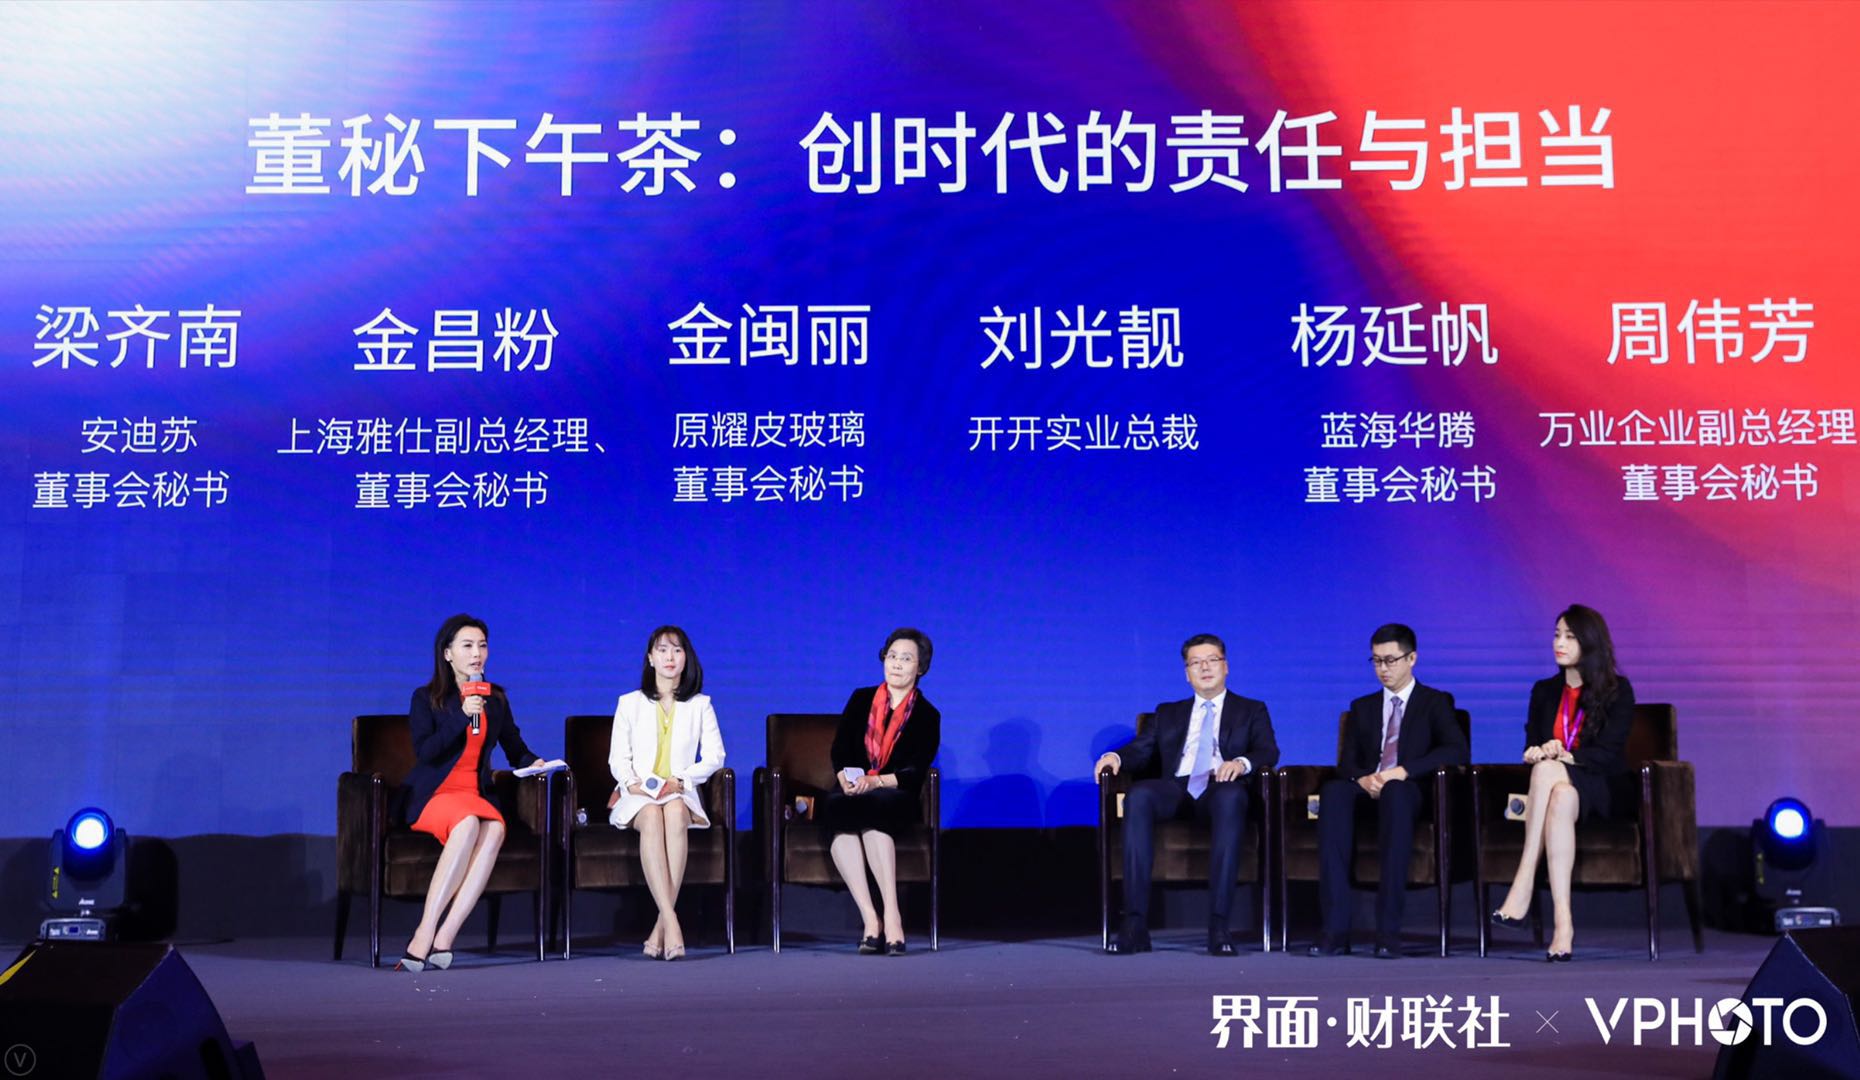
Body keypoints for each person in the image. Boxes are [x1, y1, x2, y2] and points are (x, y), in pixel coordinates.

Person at [1095, 633, 1280, 956]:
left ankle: (1219, 925)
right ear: (1186, 673)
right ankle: (1135, 924)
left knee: (1231, 797)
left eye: (1212, 660)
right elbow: (1141, 749)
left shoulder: (1251, 709)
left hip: (1221, 785)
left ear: (1226, 666)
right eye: (1196, 663)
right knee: (1139, 795)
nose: (1204, 668)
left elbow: (1268, 750)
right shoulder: (1168, 712)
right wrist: (1115, 757)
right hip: (1177, 787)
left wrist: (1240, 762)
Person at [397, 614, 547, 972]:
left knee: (494, 828)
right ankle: (424, 932)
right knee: (467, 824)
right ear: (447, 653)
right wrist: (462, 716)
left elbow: (515, 748)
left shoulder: (495, 699)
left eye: (482, 645)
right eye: (467, 646)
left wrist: (535, 762)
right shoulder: (426, 698)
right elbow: (426, 753)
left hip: (474, 793)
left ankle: (446, 936)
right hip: (434, 794)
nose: (477, 653)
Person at [1489, 604, 1637, 961]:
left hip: (1601, 786)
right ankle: (1563, 925)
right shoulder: (1543, 690)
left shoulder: (1618, 690)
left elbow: (1608, 753)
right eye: (1556, 635)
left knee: (1550, 772)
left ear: (1590, 641)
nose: (1559, 643)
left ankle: (1523, 883)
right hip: (1561, 789)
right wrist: (1537, 751)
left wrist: (1566, 756)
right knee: (1559, 795)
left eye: (1570, 636)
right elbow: (1532, 741)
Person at [1310, 624, 1467, 959]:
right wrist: (1362, 779)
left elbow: (1456, 750)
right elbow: (1347, 763)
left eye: (1391, 660)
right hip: (1368, 788)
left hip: (1409, 791)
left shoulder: (1435, 702)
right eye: (1377, 660)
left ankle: (1387, 933)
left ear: (1412, 658)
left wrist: (1404, 771)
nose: (1383, 668)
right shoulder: (1362, 707)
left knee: (1396, 792)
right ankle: (1335, 931)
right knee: (1334, 793)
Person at [815, 628, 941, 955]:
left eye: (906, 658)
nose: (896, 664)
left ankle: (892, 914)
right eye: (891, 656)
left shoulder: (928, 715)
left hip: (895, 793)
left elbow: (915, 770)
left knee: (875, 813)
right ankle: (871, 918)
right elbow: (840, 749)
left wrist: (877, 781)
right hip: (854, 787)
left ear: (920, 668)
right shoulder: (861, 699)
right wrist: (844, 777)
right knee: (837, 810)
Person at [606, 625, 726, 961]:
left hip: (678, 791)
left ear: (686, 658)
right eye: (662, 650)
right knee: (650, 814)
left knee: (673, 812)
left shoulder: (701, 705)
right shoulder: (629, 703)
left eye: (676, 650)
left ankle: (661, 926)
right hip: (638, 793)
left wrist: (682, 781)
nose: (669, 657)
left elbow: (715, 757)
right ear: (650, 658)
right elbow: (618, 759)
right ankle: (672, 922)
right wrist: (632, 784)